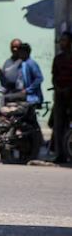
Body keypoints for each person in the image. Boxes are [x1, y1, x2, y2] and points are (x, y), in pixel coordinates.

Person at [52, 31, 72, 163]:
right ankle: (60, 155)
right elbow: (54, 76)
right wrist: (58, 88)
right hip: (60, 95)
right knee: (58, 125)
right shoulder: (58, 59)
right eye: (60, 40)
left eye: (64, 40)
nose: (61, 43)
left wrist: (68, 88)